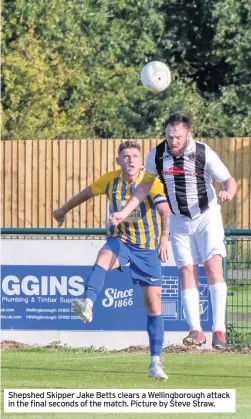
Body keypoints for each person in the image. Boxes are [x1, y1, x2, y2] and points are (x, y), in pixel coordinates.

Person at [110, 112, 237, 349]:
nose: (174, 142)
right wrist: (123, 212)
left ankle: (218, 330)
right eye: (170, 137)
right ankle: (195, 331)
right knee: (186, 271)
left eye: (178, 137)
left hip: (206, 216)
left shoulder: (203, 152)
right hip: (178, 220)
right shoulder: (156, 154)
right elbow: (143, 188)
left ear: (189, 134)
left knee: (212, 266)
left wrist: (228, 192)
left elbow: (229, 180)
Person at [53, 140, 170, 380]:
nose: (130, 160)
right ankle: (87, 302)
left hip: (147, 249)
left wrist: (164, 238)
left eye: (135, 156)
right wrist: (62, 211)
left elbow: (165, 211)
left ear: (141, 161)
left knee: (153, 304)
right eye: (125, 156)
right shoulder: (110, 180)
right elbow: (84, 194)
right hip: (121, 241)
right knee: (104, 255)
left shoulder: (151, 182)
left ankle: (155, 361)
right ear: (118, 160)